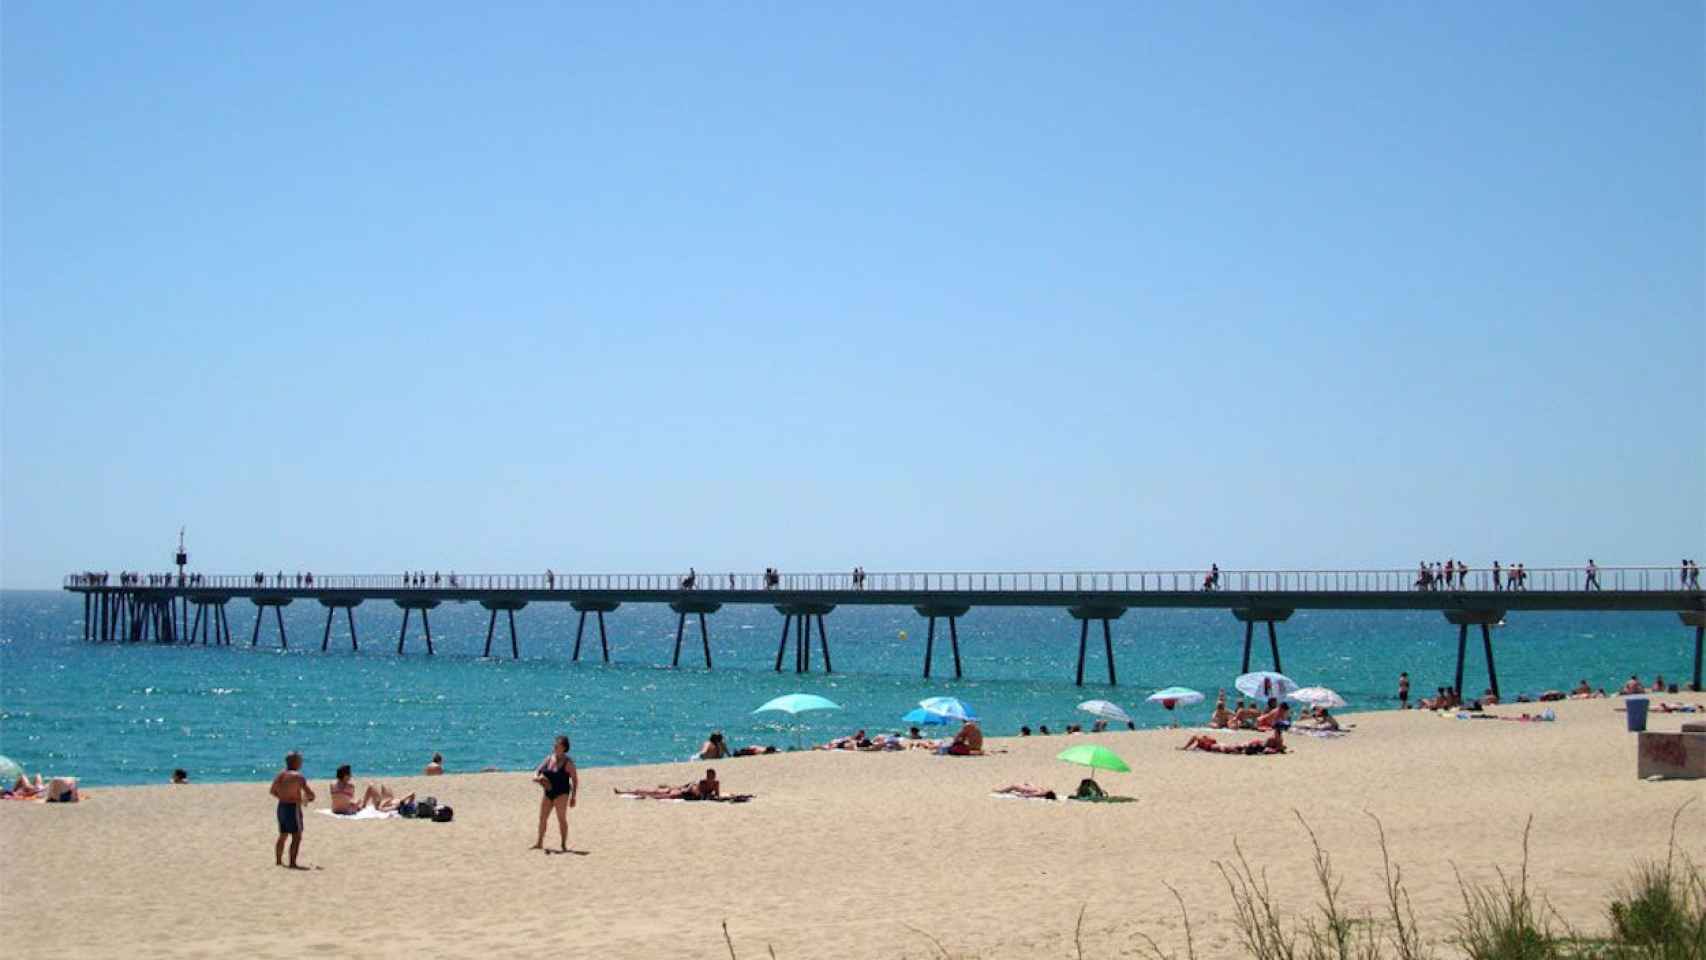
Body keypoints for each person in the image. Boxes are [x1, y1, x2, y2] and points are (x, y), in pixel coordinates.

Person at [269, 751, 315, 869]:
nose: (301, 763)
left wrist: (283, 796)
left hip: (281, 806)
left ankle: (278, 861)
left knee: (283, 835)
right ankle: (292, 863)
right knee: (297, 836)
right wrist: (304, 799)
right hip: (292, 807)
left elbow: (273, 791)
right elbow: (310, 794)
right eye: (300, 760)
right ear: (295, 762)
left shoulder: (280, 775)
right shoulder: (298, 776)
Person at [532, 735, 577, 853]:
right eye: (555, 744)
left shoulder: (568, 762)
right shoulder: (549, 758)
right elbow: (538, 770)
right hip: (548, 792)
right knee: (542, 818)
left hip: (562, 793)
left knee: (561, 819)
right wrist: (537, 777)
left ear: (564, 747)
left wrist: (573, 797)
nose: (555, 746)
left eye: (557, 745)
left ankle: (563, 845)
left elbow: (575, 780)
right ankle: (539, 842)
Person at [329, 765, 412, 815]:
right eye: (350, 774)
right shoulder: (350, 786)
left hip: (335, 810)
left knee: (377, 790)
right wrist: (359, 802)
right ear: (345, 776)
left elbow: (342, 799)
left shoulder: (332, 785)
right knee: (373, 788)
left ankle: (388, 801)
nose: (351, 776)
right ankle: (391, 803)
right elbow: (352, 801)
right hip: (349, 811)